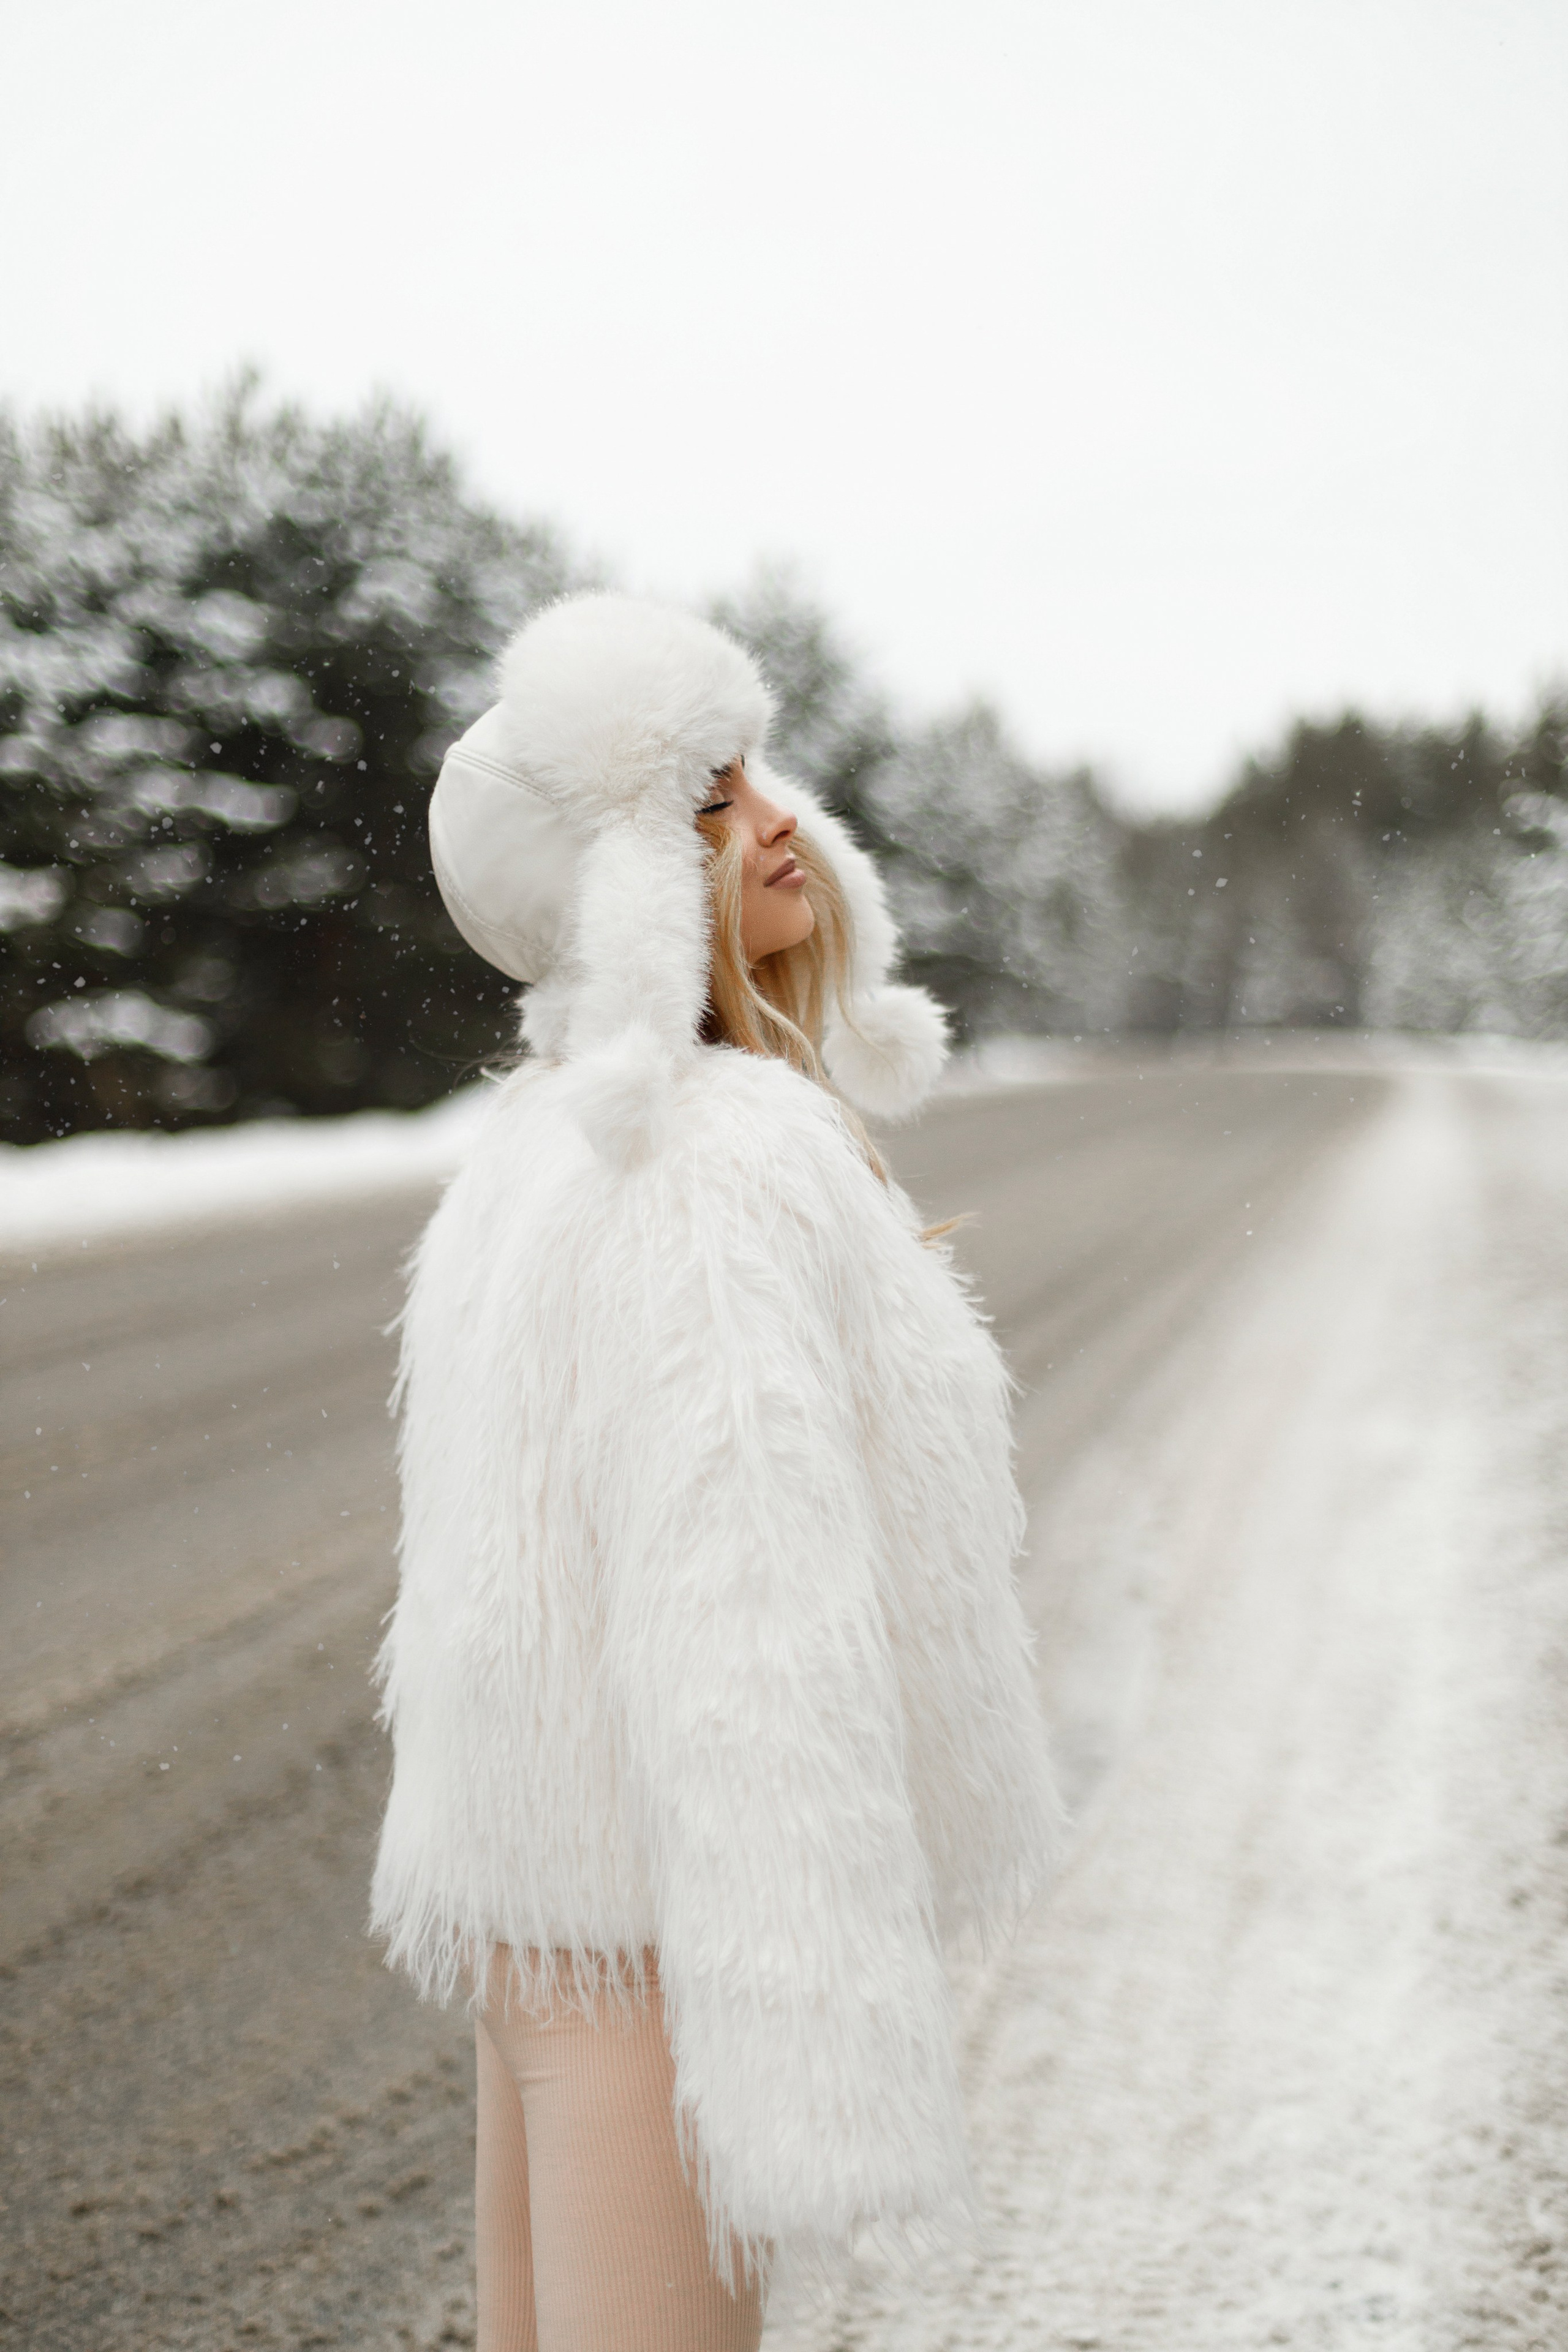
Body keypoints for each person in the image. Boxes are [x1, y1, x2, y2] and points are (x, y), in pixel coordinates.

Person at [370, 594, 1058, 2352]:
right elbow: (748, 1625)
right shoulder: (710, 1155)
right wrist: (818, 2047)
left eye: (751, 774)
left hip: (550, 1924)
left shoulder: (544, 1141)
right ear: (615, 894)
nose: (766, 821)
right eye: (698, 807)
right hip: (662, 1946)